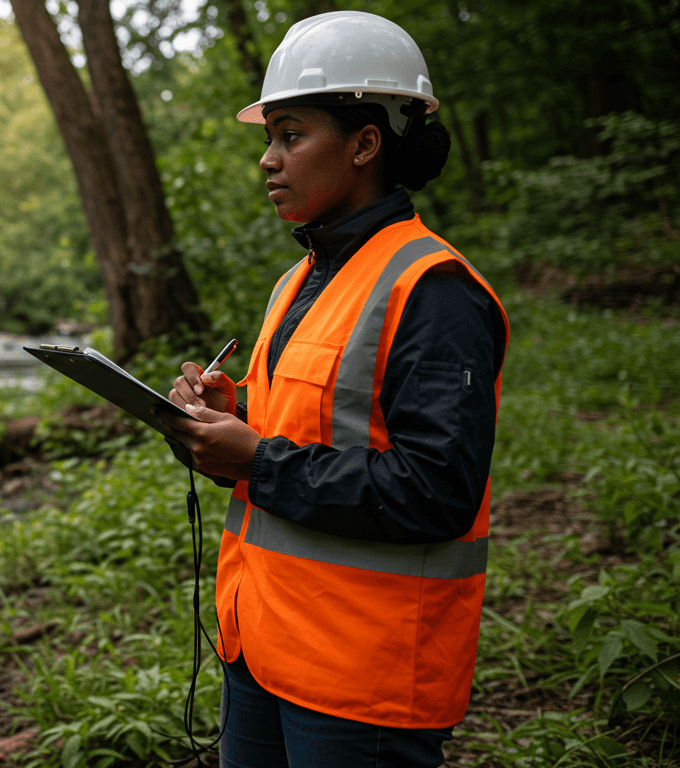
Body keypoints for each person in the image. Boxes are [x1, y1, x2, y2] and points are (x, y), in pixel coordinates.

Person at [158, 11, 510, 768]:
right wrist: (234, 416)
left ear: (364, 143)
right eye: (268, 138)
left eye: (291, 135)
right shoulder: (299, 281)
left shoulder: (436, 292)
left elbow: (437, 490)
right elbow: (319, 427)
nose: (268, 159)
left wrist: (255, 459)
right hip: (260, 648)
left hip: (364, 682)